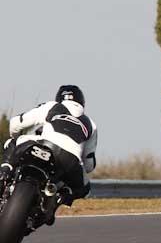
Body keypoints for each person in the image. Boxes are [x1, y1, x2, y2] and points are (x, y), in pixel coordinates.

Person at [0, 85, 98, 225]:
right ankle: (57, 200)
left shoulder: (51, 106)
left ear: (59, 98)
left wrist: (16, 135)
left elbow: (16, 123)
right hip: (69, 161)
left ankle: (4, 172)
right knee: (85, 188)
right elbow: (89, 164)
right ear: (82, 103)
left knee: (12, 143)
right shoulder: (92, 125)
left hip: (45, 145)